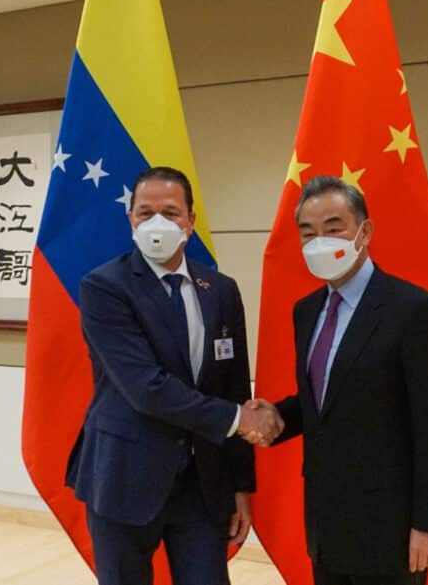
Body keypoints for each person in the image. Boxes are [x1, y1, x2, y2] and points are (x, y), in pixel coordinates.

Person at [65, 166, 282, 585]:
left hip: (202, 484)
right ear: (131, 220)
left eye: (170, 212)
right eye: (146, 213)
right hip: (124, 476)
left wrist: (240, 485)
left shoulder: (220, 289)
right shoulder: (104, 287)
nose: (157, 223)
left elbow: (234, 386)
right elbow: (146, 388)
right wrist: (241, 419)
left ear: (190, 221)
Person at [249, 175, 428, 585]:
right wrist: (274, 417)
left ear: (365, 232)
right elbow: (324, 400)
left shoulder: (413, 310)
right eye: (308, 233)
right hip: (326, 522)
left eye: (334, 228)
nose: (320, 242)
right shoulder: (306, 310)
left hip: (391, 527)